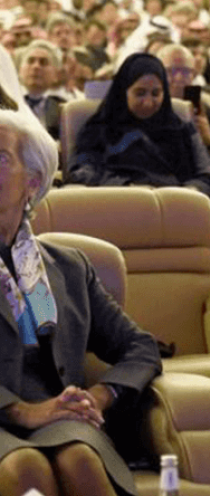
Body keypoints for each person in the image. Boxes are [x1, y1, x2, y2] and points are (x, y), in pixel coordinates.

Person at [0, 106, 162, 496]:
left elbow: (140, 347)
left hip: (60, 417)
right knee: (25, 468)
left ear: (32, 183)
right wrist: (24, 412)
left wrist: (98, 397)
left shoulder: (69, 268)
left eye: (1, 158)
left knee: (80, 460)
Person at [67, 53, 210, 208]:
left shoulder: (182, 128)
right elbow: (82, 173)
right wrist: (128, 189)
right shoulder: (99, 129)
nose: (148, 102)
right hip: (119, 205)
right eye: (140, 93)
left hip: (179, 206)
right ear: (123, 92)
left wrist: (189, 191)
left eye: (156, 93)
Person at [18, 39, 66, 140]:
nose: (36, 66)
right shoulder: (6, 103)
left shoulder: (63, 109)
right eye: (30, 61)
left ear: (56, 75)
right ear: (20, 70)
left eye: (43, 62)